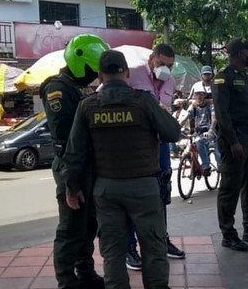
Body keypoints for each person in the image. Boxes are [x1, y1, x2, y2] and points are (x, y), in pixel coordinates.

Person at [62, 50, 181, 289]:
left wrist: (72, 187)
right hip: (144, 187)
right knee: (153, 246)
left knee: (113, 251)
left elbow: (74, 153)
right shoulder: (144, 101)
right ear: (126, 73)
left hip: (106, 189)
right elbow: (172, 132)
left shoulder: (87, 106)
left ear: (100, 76)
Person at [40, 33, 109, 289]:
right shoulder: (57, 89)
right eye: (91, 69)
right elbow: (65, 138)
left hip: (88, 165)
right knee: (70, 229)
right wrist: (72, 182)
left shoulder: (80, 87)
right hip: (71, 165)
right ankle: (67, 282)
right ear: (79, 62)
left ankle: (86, 272)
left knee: (89, 225)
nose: (94, 76)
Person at [124, 43, 185, 267]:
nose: (165, 68)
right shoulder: (132, 74)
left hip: (160, 146)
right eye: (161, 63)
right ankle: (129, 248)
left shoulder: (170, 81)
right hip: (136, 147)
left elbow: (165, 112)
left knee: (161, 194)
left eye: (170, 65)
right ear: (152, 58)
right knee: (135, 196)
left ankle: (161, 240)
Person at [214, 39, 248, 252]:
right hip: (234, 139)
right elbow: (222, 113)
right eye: (247, 51)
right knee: (230, 188)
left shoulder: (245, 77)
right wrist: (233, 141)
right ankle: (228, 234)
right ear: (237, 54)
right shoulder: (222, 78)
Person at [189, 91, 219, 172]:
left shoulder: (210, 106)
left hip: (209, 131)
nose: (199, 96)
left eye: (201, 94)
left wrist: (211, 130)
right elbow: (187, 117)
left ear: (205, 95)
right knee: (190, 147)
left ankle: (206, 165)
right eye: (196, 94)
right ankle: (194, 167)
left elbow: (214, 119)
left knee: (199, 142)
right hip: (197, 132)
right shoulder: (193, 107)